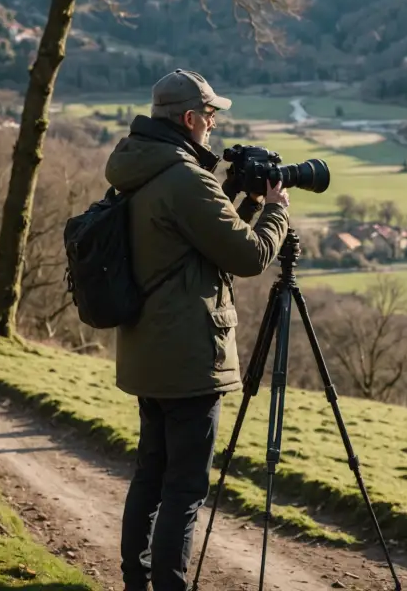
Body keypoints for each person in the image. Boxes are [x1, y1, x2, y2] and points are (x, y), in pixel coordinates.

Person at [104, 68, 290, 591]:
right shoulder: (186, 177)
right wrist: (275, 213)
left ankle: (136, 581)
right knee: (184, 487)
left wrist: (246, 201)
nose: (212, 126)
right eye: (209, 117)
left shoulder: (142, 167)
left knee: (150, 474)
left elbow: (198, 236)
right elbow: (250, 256)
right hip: (189, 358)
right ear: (189, 119)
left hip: (147, 350)